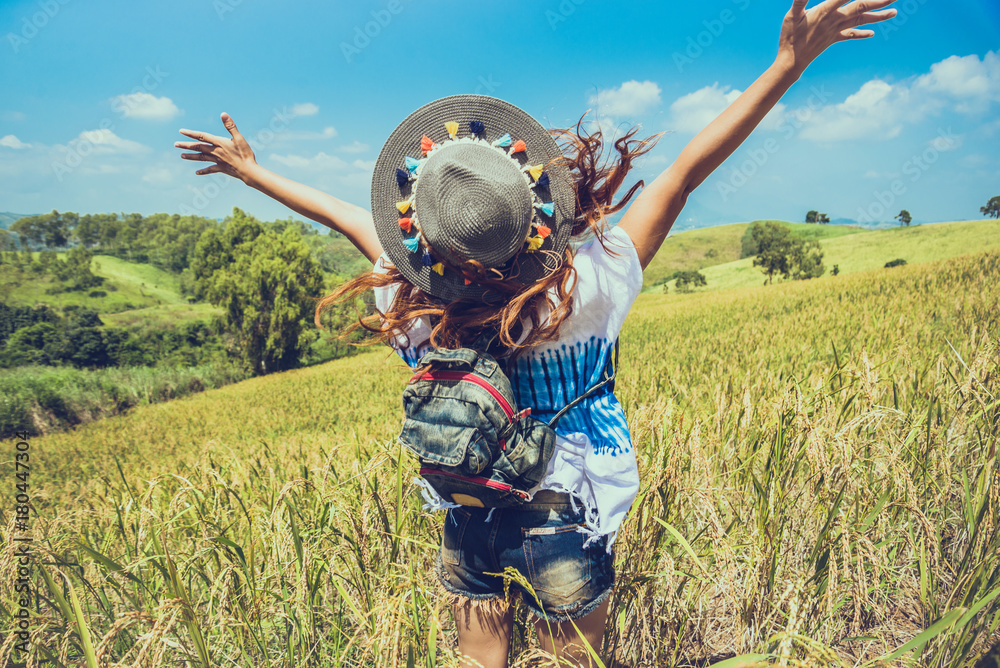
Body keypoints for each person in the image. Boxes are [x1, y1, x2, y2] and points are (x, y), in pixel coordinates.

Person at [174, 1, 899, 665]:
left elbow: (342, 215)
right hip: (564, 516)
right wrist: (787, 64)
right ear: (536, 214)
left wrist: (251, 174)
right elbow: (683, 174)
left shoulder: (417, 298)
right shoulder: (590, 281)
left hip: (467, 511)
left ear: (425, 239)